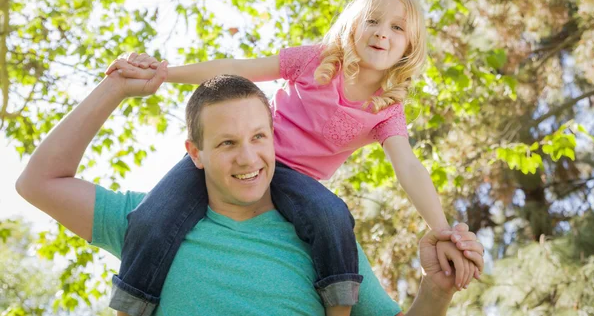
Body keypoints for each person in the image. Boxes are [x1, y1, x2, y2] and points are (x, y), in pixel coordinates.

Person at [107, 0, 478, 316]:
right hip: (244, 155)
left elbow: (409, 168)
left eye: (397, 27)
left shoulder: (387, 110)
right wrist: (164, 74)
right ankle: (131, 306)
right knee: (150, 215)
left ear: (410, 45)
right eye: (373, 21)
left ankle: (339, 308)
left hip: (294, 181)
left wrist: (442, 229)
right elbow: (237, 69)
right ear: (353, 27)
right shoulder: (316, 60)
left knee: (333, 216)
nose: (382, 32)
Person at [16, 69, 484, 316]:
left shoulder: (323, 236)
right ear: (194, 153)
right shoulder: (147, 221)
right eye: (226, 143)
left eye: (259, 138)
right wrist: (114, 87)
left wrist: (437, 292)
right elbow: (39, 182)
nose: (248, 158)